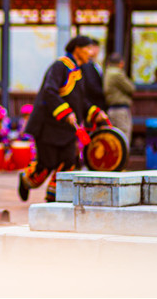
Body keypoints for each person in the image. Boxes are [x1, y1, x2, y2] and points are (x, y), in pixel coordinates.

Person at [19, 36, 106, 202]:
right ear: (77, 49)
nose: (91, 53)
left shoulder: (78, 71)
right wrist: (66, 112)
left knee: (69, 162)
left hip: (66, 129)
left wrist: (95, 112)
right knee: (46, 164)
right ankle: (25, 180)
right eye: (88, 48)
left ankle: (54, 198)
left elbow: (80, 101)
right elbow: (49, 91)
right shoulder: (60, 66)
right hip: (48, 126)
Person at [103, 52, 135, 148]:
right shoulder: (117, 73)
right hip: (120, 109)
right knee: (123, 136)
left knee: (114, 138)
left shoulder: (107, 72)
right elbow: (131, 88)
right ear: (121, 63)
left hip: (112, 109)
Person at [81, 39, 107, 112]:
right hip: (92, 104)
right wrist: (104, 93)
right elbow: (91, 85)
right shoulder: (87, 65)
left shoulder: (95, 64)